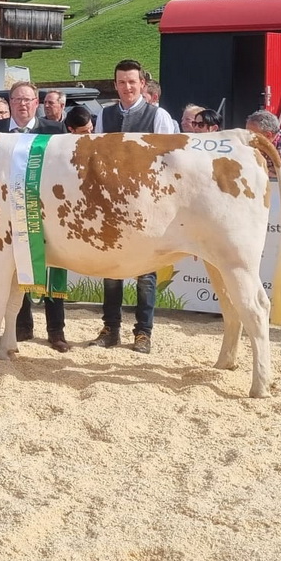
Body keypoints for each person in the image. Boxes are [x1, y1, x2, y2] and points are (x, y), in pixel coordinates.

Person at [92, 59, 176, 355]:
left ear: (142, 84)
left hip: (148, 204)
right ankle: (110, 328)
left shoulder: (159, 116)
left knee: (146, 272)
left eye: (132, 82)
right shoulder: (105, 115)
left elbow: (170, 161)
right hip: (113, 202)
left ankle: (143, 332)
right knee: (112, 267)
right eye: (122, 82)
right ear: (115, 85)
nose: (127, 87)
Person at [0, 81, 70, 351]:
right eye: (17, 99)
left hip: (48, 210)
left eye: (28, 99)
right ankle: (21, 328)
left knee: (53, 266)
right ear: (10, 103)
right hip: (6, 213)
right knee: (13, 270)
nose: (22, 104)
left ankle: (56, 331)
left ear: (37, 103)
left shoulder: (55, 130)